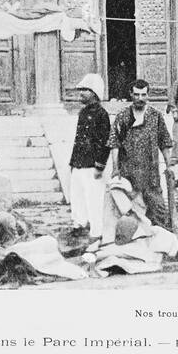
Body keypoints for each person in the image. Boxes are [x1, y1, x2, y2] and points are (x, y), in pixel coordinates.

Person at [107, 79, 175, 229]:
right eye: (136, 94)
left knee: (158, 212)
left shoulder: (155, 116)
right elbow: (115, 143)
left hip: (151, 174)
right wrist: (115, 167)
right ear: (131, 94)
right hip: (128, 172)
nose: (140, 98)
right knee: (130, 214)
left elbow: (164, 141)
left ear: (147, 95)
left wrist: (169, 164)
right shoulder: (123, 116)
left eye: (143, 94)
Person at [67, 74, 112, 240]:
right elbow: (78, 139)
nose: (81, 93)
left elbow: (106, 141)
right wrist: (73, 162)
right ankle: (79, 225)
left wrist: (100, 165)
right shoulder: (83, 113)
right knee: (77, 196)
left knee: (94, 199)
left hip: (92, 165)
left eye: (85, 90)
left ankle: (96, 231)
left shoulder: (102, 114)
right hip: (79, 163)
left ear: (94, 93)